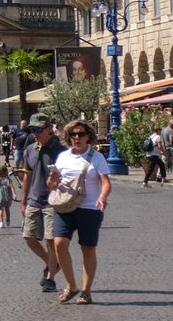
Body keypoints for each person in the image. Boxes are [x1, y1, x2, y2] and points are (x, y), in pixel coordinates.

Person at [47, 120, 112, 304]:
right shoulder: (63, 157)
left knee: (87, 248)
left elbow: (106, 182)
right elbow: (51, 184)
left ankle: (86, 291)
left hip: (90, 208)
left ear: (88, 136)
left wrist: (102, 197)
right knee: (59, 244)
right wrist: (52, 179)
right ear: (68, 137)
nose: (77, 137)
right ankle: (72, 286)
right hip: (65, 206)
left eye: (81, 134)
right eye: (73, 134)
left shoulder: (97, 157)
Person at [19, 112, 65, 293]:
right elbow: (27, 177)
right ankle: (52, 263)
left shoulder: (61, 151)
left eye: (38, 130)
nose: (35, 134)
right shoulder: (30, 149)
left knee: (50, 240)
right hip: (34, 200)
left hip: (53, 202)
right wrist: (23, 201)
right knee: (29, 237)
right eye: (33, 130)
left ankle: (50, 278)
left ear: (48, 129)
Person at [0, 161, 18, 227]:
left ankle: (1, 222)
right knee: (7, 209)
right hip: (7, 196)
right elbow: (12, 186)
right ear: (6, 171)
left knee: (0, 209)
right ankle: (8, 221)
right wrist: (14, 194)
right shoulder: (7, 179)